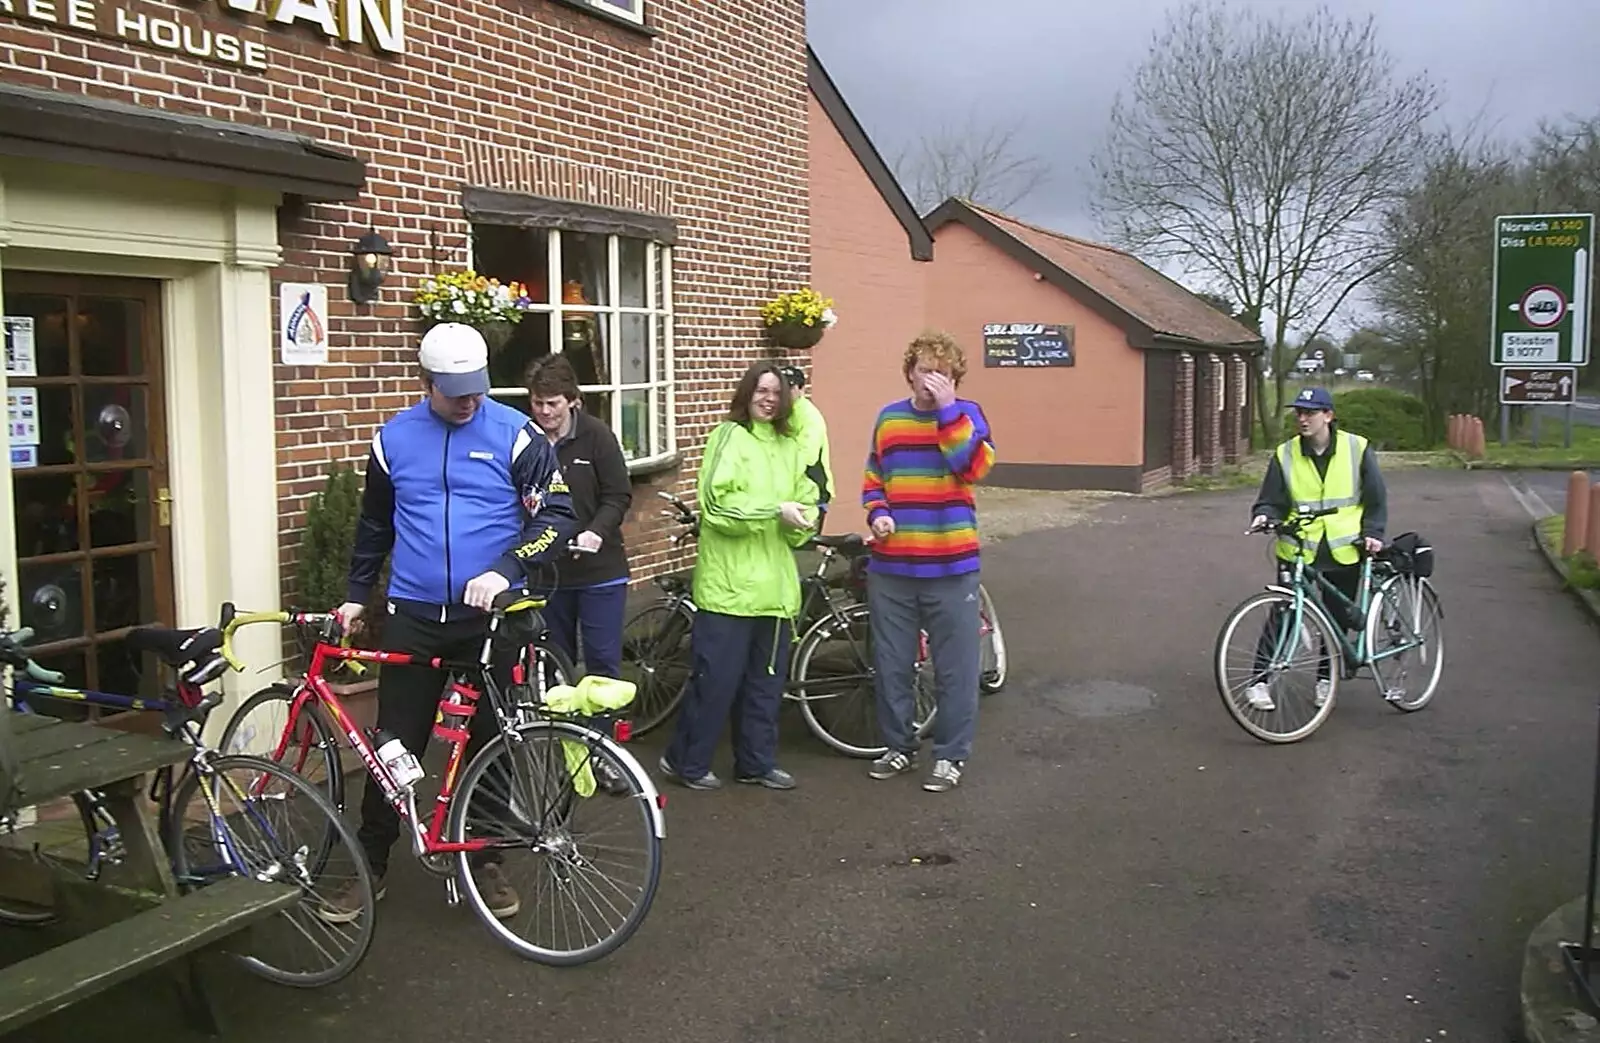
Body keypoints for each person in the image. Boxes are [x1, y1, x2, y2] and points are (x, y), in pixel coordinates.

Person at [322, 322, 577, 923]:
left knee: (492, 738)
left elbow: (558, 517)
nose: (470, 400)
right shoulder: (392, 440)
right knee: (395, 743)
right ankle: (371, 861)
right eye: (456, 389)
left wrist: (507, 567)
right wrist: (359, 594)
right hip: (414, 614)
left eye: (478, 388)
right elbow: (374, 526)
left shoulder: (517, 435)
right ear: (426, 382)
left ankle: (483, 857)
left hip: (488, 620)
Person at [660, 362, 818, 792]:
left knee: (765, 686)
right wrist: (773, 510)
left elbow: (805, 503)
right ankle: (685, 761)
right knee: (715, 683)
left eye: (776, 392)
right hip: (728, 588)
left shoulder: (789, 445)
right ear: (746, 394)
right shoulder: (728, 437)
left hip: (774, 589)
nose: (768, 398)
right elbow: (716, 507)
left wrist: (804, 518)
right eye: (761, 390)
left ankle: (756, 762)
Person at [862, 330, 995, 793]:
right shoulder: (889, 419)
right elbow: (873, 477)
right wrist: (878, 513)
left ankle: (951, 756)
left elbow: (971, 468)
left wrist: (948, 412)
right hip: (892, 569)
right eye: (923, 369)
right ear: (909, 373)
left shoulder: (969, 416)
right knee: (892, 664)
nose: (930, 379)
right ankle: (898, 746)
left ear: (954, 377)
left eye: (941, 371)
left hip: (951, 567)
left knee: (955, 669)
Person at [1246, 385, 1387, 712]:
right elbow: (1271, 498)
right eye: (1299, 412)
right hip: (1298, 548)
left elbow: (1376, 498)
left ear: (1328, 416)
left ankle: (1326, 679)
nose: (1302, 419)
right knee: (1282, 614)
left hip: (1345, 548)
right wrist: (1264, 516)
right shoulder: (1285, 453)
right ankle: (1259, 681)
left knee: (1336, 621)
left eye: (1310, 412)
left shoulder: (1357, 448)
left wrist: (1374, 532)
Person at [525, 353, 633, 680]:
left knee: (601, 663)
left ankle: (601, 731)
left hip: (600, 572)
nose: (544, 411)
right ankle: (559, 732)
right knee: (554, 663)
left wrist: (596, 532)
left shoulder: (597, 436)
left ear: (573, 401)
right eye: (537, 403)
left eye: (553, 403)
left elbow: (618, 495)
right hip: (548, 573)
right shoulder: (524, 439)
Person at [781, 364, 834, 523]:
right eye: (780, 388)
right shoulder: (781, 414)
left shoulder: (809, 417)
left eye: (789, 388)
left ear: (801, 389)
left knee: (806, 545)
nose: (783, 394)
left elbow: (805, 456)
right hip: (789, 493)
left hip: (812, 492)